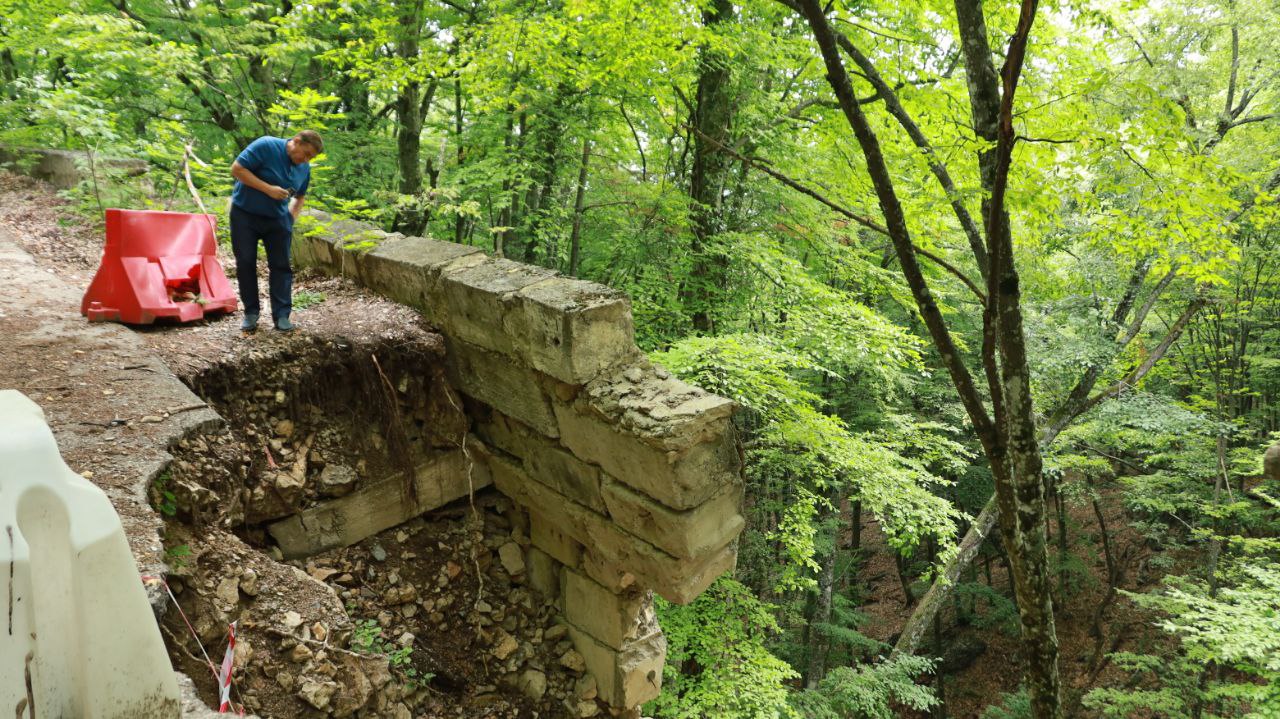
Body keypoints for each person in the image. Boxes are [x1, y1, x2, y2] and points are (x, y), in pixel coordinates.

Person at [229, 130, 322, 332]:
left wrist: (290, 218)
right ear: (296, 141)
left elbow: (300, 196)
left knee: (281, 266)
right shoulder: (266, 145)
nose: (306, 160)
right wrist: (268, 189)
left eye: (311, 157)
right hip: (245, 214)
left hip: (278, 220)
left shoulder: (304, 168)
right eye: (305, 154)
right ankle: (251, 313)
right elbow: (237, 169)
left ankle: (282, 316)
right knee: (245, 262)